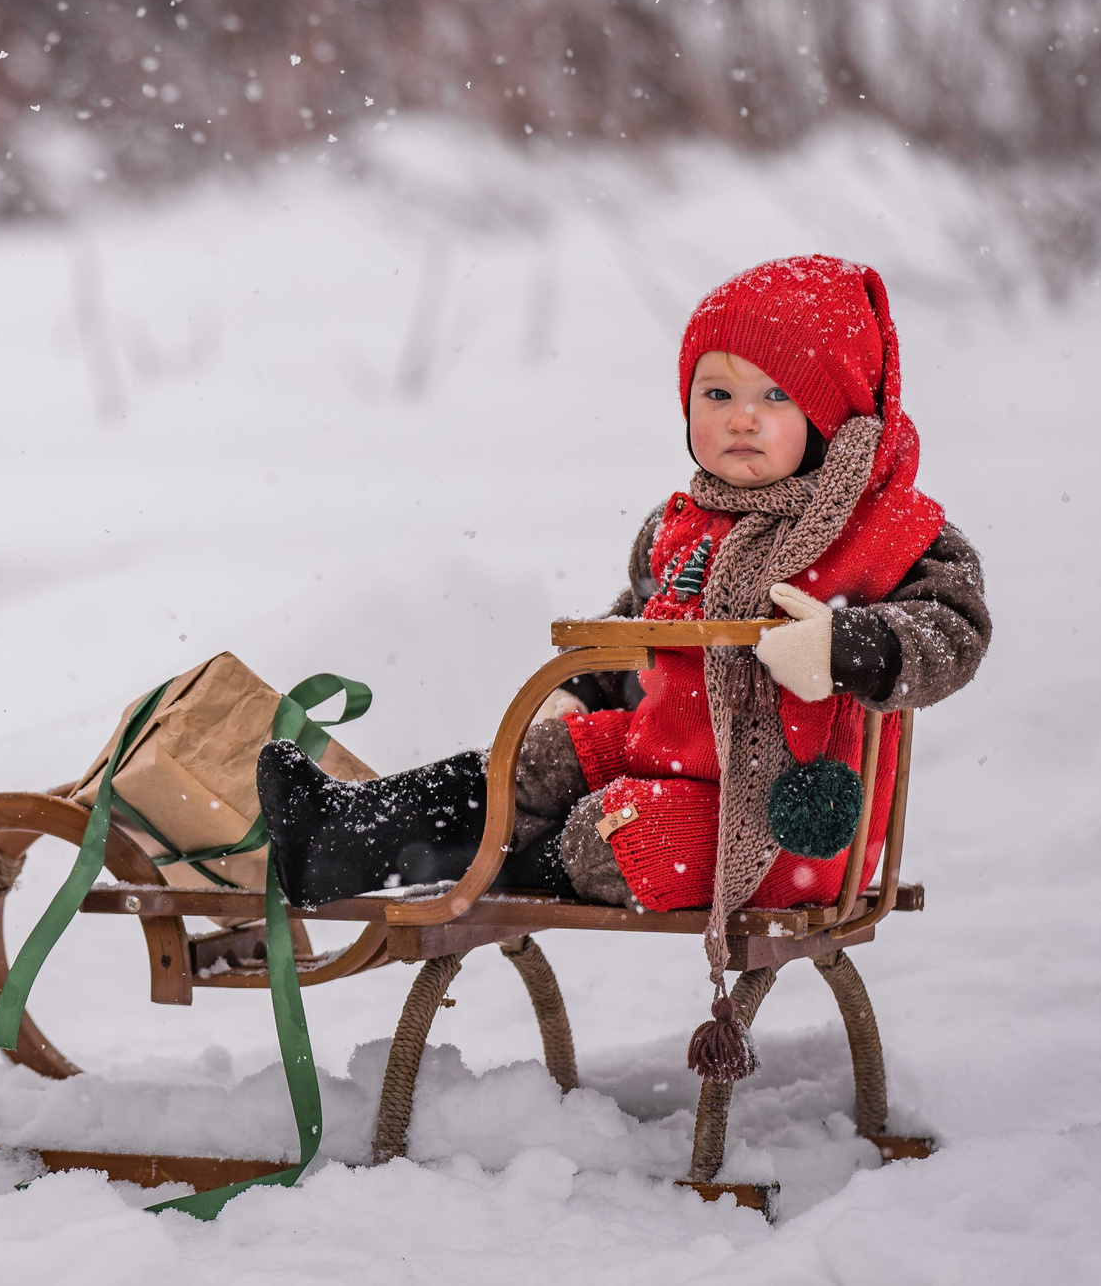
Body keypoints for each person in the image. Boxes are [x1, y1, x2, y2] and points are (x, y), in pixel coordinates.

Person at [259, 256, 989, 1061]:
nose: (742, 417)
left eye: (775, 395)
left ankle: (478, 875)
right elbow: (636, 629)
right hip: (663, 747)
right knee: (532, 761)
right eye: (717, 394)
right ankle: (341, 836)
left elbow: (955, 625)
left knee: (610, 837)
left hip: (784, 821)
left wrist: (853, 646)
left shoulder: (887, 532)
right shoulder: (678, 526)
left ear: (832, 414)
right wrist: (582, 685)